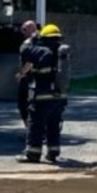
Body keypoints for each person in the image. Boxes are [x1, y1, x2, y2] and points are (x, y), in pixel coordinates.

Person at [16, 23, 71, 164]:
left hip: (42, 97)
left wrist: (31, 39)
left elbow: (23, 51)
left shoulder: (41, 51)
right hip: (59, 97)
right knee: (54, 125)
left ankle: (33, 154)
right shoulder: (62, 53)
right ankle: (53, 152)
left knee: (36, 125)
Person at [16, 20, 38, 127]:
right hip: (41, 79)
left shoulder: (28, 44)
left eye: (24, 29)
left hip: (28, 79)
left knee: (23, 104)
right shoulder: (42, 42)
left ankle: (30, 130)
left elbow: (30, 63)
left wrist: (21, 74)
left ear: (32, 29)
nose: (22, 32)